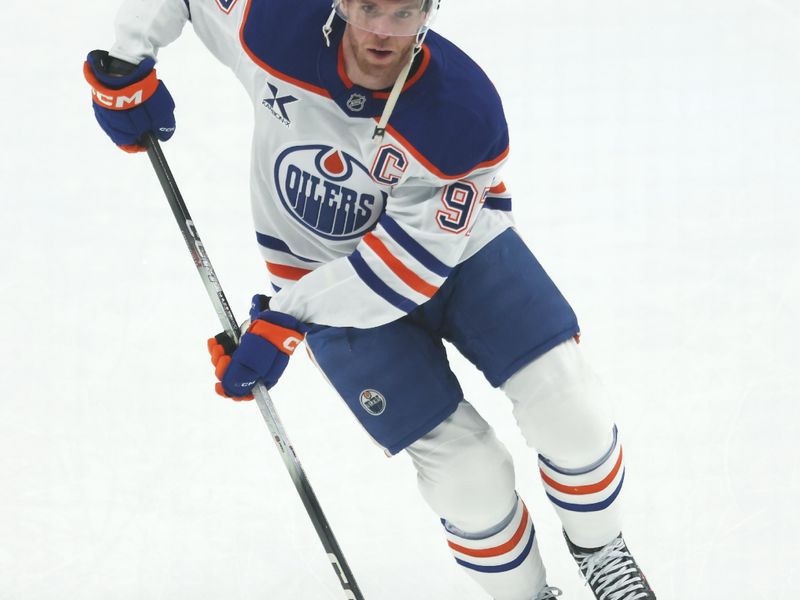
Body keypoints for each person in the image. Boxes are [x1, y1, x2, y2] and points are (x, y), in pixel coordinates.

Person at [84, 1, 657, 598]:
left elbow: (403, 271)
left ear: (430, 11)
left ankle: (602, 551)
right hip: (321, 278)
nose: (382, 31)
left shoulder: (463, 111)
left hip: (457, 253)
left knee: (571, 411)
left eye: (404, 12)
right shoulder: (273, 24)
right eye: (368, 7)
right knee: (468, 478)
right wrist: (126, 60)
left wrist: (286, 320)